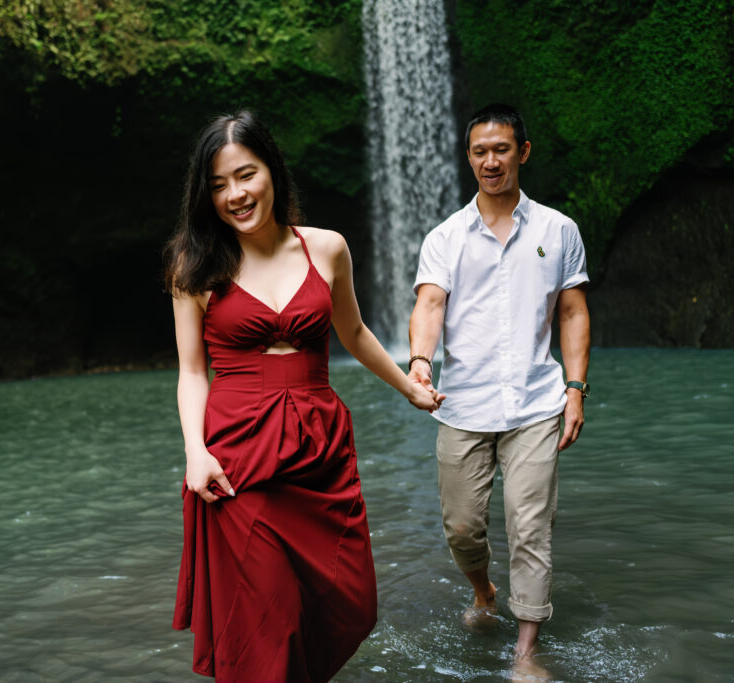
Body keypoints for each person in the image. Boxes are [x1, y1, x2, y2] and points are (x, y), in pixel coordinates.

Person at [165, 110, 441, 682]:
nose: (235, 195)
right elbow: (193, 372)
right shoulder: (194, 267)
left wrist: (408, 388)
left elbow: (356, 334)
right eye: (217, 185)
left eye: (246, 175)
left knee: (353, 603)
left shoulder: (327, 248)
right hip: (238, 458)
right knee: (270, 619)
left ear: (273, 170)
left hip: (321, 445)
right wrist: (196, 451)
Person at [408, 103, 591, 673]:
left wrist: (576, 387)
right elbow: (430, 302)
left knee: (531, 525)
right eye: (480, 152)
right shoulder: (445, 237)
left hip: (537, 402)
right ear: (469, 158)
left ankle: (525, 651)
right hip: (462, 405)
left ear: (523, 152)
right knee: (462, 528)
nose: (491, 161)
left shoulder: (559, 230)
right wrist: (419, 361)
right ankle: (484, 591)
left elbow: (572, 311)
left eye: (502, 149)